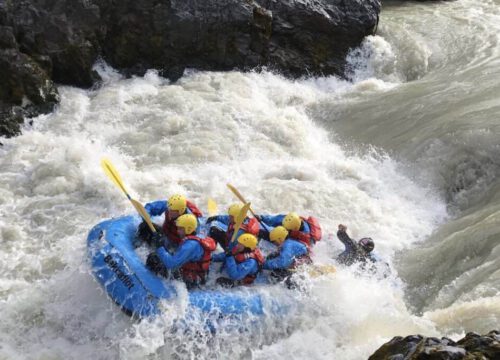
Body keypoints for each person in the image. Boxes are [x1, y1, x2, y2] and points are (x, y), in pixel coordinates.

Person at [146, 214, 216, 289]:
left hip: (191, 281)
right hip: (199, 277)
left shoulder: (190, 245)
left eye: (180, 229)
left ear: (188, 229)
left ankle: (152, 286)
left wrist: (160, 247)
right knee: (162, 255)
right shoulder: (197, 237)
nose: (177, 231)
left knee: (153, 259)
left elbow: (171, 264)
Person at [137, 194, 203, 248]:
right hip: (165, 235)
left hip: (177, 246)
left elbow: (196, 240)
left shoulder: (191, 221)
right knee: (144, 226)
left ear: (180, 211)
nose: (169, 211)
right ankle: (137, 246)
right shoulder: (172, 206)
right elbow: (150, 207)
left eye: (172, 211)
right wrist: (146, 215)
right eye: (169, 209)